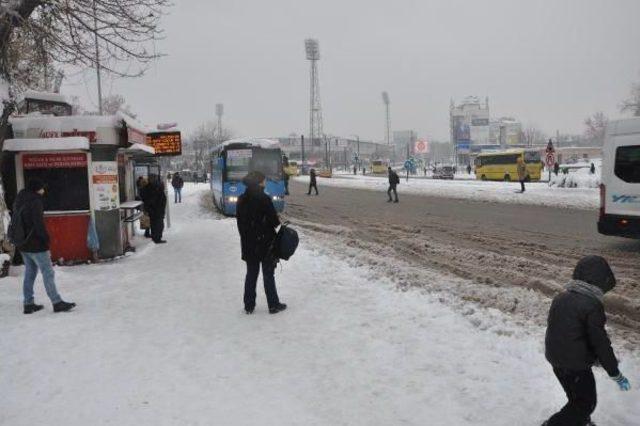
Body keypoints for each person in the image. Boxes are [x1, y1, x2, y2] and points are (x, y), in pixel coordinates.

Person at [543, 255, 631, 426]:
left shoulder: (560, 298)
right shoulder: (591, 305)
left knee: (576, 399)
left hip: (556, 360)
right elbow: (600, 342)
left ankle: (582, 423)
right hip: (576, 366)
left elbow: (563, 331)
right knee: (585, 404)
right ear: (600, 281)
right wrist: (614, 372)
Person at [12, 178, 75, 314]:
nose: (43, 190)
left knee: (30, 273)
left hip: (23, 244)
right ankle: (57, 302)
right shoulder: (35, 201)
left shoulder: (20, 199)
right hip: (36, 244)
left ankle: (28, 304)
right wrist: (45, 240)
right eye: (42, 188)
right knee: (48, 272)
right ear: (37, 189)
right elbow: (38, 224)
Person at [236, 171, 287, 315]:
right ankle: (273, 305)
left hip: (248, 244)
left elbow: (240, 222)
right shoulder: (264, 199)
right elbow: (274, 221)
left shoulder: (241, 199)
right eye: (263, 180)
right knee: (268, 274)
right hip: (265, 243)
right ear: (259, 182)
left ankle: (249, 306)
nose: (265, 182)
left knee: (251, 274)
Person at [141, 174, 167, 244]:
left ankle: (155, 237)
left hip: (154, 210)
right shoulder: (156, 188)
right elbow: (155, 200)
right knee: (158, 225)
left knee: (155, 224)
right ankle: (157, 238)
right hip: (156, 210)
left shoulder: (149, 187)